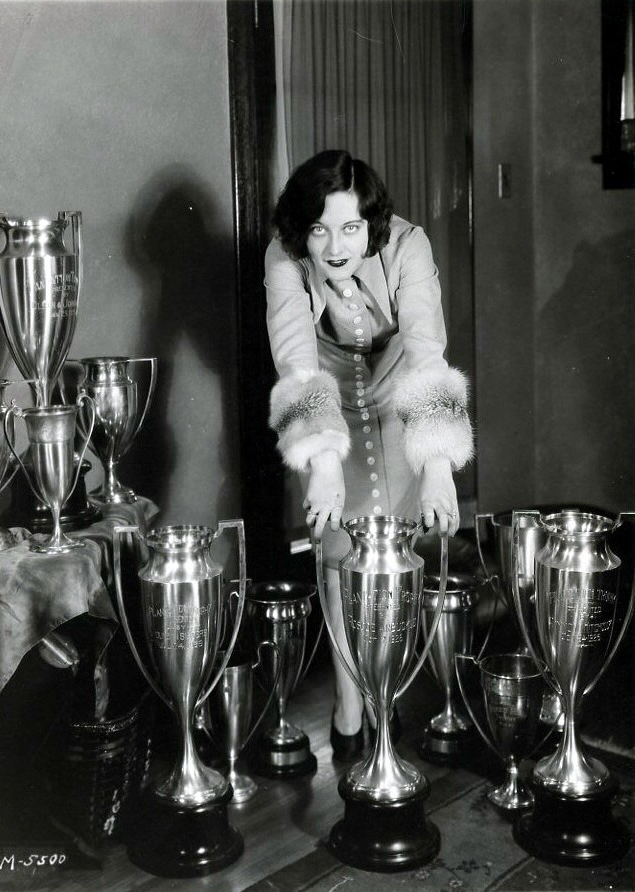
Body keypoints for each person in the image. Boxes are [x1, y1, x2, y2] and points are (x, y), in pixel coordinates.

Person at [264, 149, 474, 760]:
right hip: (324, 392)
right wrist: (323, 463)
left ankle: (384, 693)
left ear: (372, 223)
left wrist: (438, 466)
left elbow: (428, 351)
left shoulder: (410, 245)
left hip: (396, 391)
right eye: (319, 227)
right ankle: (349, 712)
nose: (335, 246)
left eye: (351, 227)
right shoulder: (283, 256)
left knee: (393, 545)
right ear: (300, 227)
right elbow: (296, 357)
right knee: (336, 547)